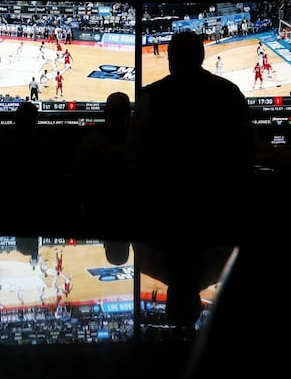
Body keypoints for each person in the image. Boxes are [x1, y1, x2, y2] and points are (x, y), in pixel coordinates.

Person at [126, 30, 255, 326]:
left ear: (170, 60)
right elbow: (247, 151)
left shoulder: (152, 96)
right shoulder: (230, 93)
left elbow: (133, 159)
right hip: (216, 212)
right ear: (202, 57)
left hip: (164, 213)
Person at [75, 91, 132, 262]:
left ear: (105, 113)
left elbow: (78, 183)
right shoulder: (137, 145)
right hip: (127, 215)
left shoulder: (88, 142)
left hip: (94, 213)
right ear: (129, 114)